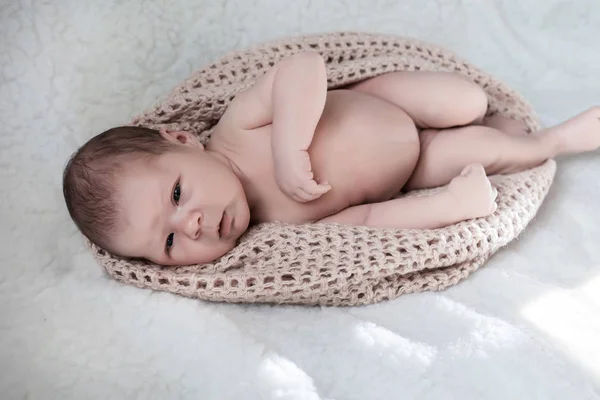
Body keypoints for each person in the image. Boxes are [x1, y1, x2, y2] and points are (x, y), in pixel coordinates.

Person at [62, 51, 600, 266]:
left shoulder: (236, 128)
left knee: (466, 101)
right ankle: (553, 141)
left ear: (181, 140)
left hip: (383, 100)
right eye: (170, 241)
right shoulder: (276, 228)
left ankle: (493, 118)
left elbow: (303, 68)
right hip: (414, 169)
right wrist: (450, 207)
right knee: (490, 152)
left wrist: (288, 143)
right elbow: (366, 221)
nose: (193, 223)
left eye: (177, 195)